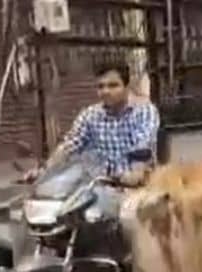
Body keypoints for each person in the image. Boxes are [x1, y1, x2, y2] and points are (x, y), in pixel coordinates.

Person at [25, 62, 159, 186]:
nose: (106, 91)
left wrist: (135, 174)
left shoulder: (144, 111)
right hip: (101, 186)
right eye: (101, 86)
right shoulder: (90, 115)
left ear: (127, 86)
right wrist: (43, 172)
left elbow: (143, 147)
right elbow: (69, 146)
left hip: (139, 187)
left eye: (113, 85)